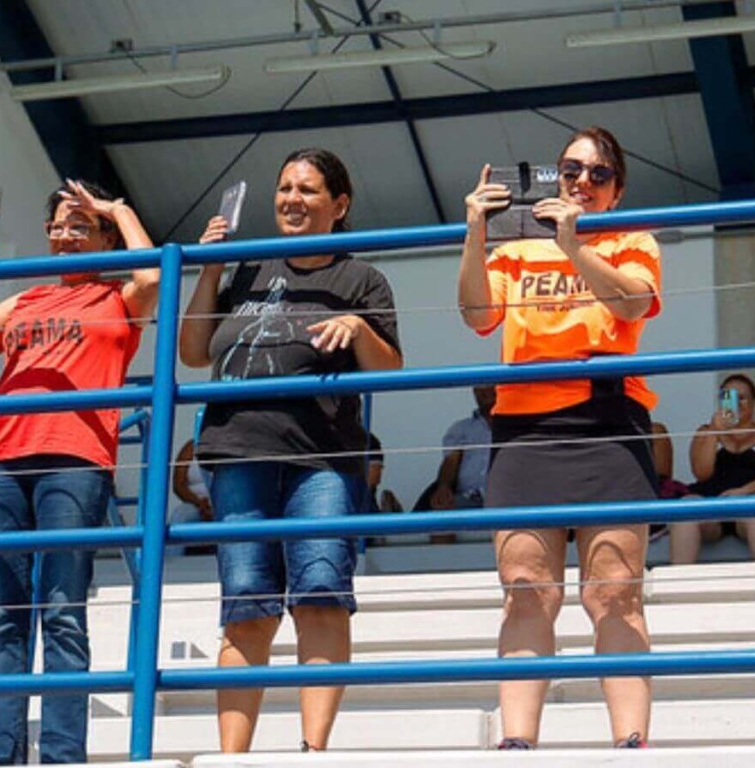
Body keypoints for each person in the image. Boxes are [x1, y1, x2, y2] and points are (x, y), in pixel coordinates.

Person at [0, 179, 158, 765]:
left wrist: (120, 208)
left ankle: (60, 758)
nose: (64, 234)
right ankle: (0, 756)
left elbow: (154, 277)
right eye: (57, 224)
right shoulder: (27, 300)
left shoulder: (118, 298)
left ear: (107, 236)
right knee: (3, 619)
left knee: (61, 614)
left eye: (80, 224)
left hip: (76, 461)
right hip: (0, 462)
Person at [180, 147, 403, 753]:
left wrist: (359, 330)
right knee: (245, 606)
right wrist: (208, 269)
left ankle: (313, 752)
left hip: (322, 460)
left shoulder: (361, 279)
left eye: (307, 190)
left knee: (322, 595)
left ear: (340, 204)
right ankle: (233, 757)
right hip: (238, 453)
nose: (291, 200)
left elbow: (390, 368)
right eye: (284, 189)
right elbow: (194, 353)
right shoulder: (245, 266)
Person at [458, 126, 661, 749]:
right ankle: (517, 743)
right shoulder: (514, 249)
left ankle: (631, 742)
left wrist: (575, 246)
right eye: (571, 170)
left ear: (616, 190)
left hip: (607, 420)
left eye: (598, 175)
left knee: (614, 592)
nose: (581, 183)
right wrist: (475, 232)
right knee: (526, 590)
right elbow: (476, 317)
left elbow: (632, 306)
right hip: (524, 425)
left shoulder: (630, 240)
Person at [668, 374, 755, 564]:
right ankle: (676, 582)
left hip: (753, 503)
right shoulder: (705, 432)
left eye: (742, 398)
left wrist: (743, 492)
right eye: (729, 397)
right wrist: (715, 432)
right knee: (687, 507)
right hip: (714, 507)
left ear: (754, 402)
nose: (736, 404)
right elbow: (702, 473)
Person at [414, 385, 496, 544]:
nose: (483, 393)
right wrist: (443, 487)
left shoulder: (515, 426)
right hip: (469, 497)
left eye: (488, 387)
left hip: (504, 497)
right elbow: (450, 462)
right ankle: (442, 566)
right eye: (478, 389)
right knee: (441, 513)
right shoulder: (461, 428)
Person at [172, 439, 217, 556]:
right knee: (180, 516)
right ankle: (169, 566)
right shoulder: (190, 448)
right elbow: (178, 485)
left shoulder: (232, 445)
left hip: (226, 504)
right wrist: (198, 502)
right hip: (196, 504)